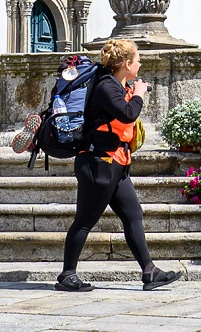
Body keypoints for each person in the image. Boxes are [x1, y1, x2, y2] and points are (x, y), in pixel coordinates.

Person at [57, 38, 180, 293]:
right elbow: (127, 114)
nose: (140, 64)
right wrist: (138, 94)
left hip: (116, 163)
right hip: (98, 164)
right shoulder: (105, 87)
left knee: (133, 214)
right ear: (126, 63)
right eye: (137, 60)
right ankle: (67, 274)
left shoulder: (116, 84)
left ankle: (150, 271)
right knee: (84, 221)